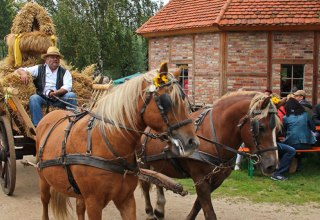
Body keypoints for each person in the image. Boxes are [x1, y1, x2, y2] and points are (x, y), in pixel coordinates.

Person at [15, 46, 77, 127]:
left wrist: (56, 93)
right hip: (43, 98)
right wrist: (23, 73)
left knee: (71, 95)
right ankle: (39, 126)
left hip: (59, 99)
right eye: (52, 57)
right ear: (46, 59)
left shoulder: (65, 72)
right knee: (34, 98)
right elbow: (19, 70)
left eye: (57, 57)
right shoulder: (39, 68)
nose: (55, 59)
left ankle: (72, 122)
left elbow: (67, 87)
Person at [282, 98, 316, 171]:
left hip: (292, 145)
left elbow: (283, 132)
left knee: (284, 147)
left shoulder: (285, 118)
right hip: (307, 145)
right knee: (298, 147)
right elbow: (313, 128)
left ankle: (288, 167)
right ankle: (298, 166)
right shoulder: (305, 115)